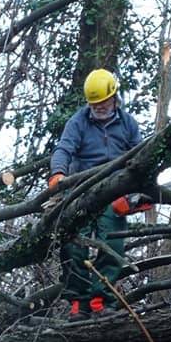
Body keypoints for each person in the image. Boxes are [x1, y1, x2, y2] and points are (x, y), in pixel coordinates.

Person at [48, 69, 149, 321]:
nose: (100, 107)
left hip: (115, 187)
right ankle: (78, 304)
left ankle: (101, 300)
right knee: (73, 244)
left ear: (114, 97)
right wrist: (58, 174)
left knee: (112, 242)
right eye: (95, 103)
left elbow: (141, 156)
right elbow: (64, 149)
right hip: (82, 187)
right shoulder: (78, 122)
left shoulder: (128, 123)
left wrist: (137, 193)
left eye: (104, 102)